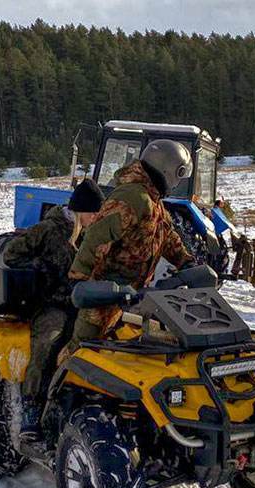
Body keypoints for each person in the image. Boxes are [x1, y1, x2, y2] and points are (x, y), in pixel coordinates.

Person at [61, 139, 195, 360]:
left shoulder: (153, 200)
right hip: (105, 294)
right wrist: (79, 278)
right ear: (168, 170)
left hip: (130, 295)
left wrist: (185, 261)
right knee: (81, 354)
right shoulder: (133, 197)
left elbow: (166, 235)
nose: (178, 182)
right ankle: (53, 391)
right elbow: (97, 236)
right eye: (179, 175)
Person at [2, 179, 105, 438]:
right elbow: (11, 254)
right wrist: (40, 267)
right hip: (52, 303)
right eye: (93, 212)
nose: (96, 217)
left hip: (83, 302)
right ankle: (31, 407)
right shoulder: (48, 229)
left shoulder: (90, 235)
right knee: (48, 342)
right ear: (81, 210)